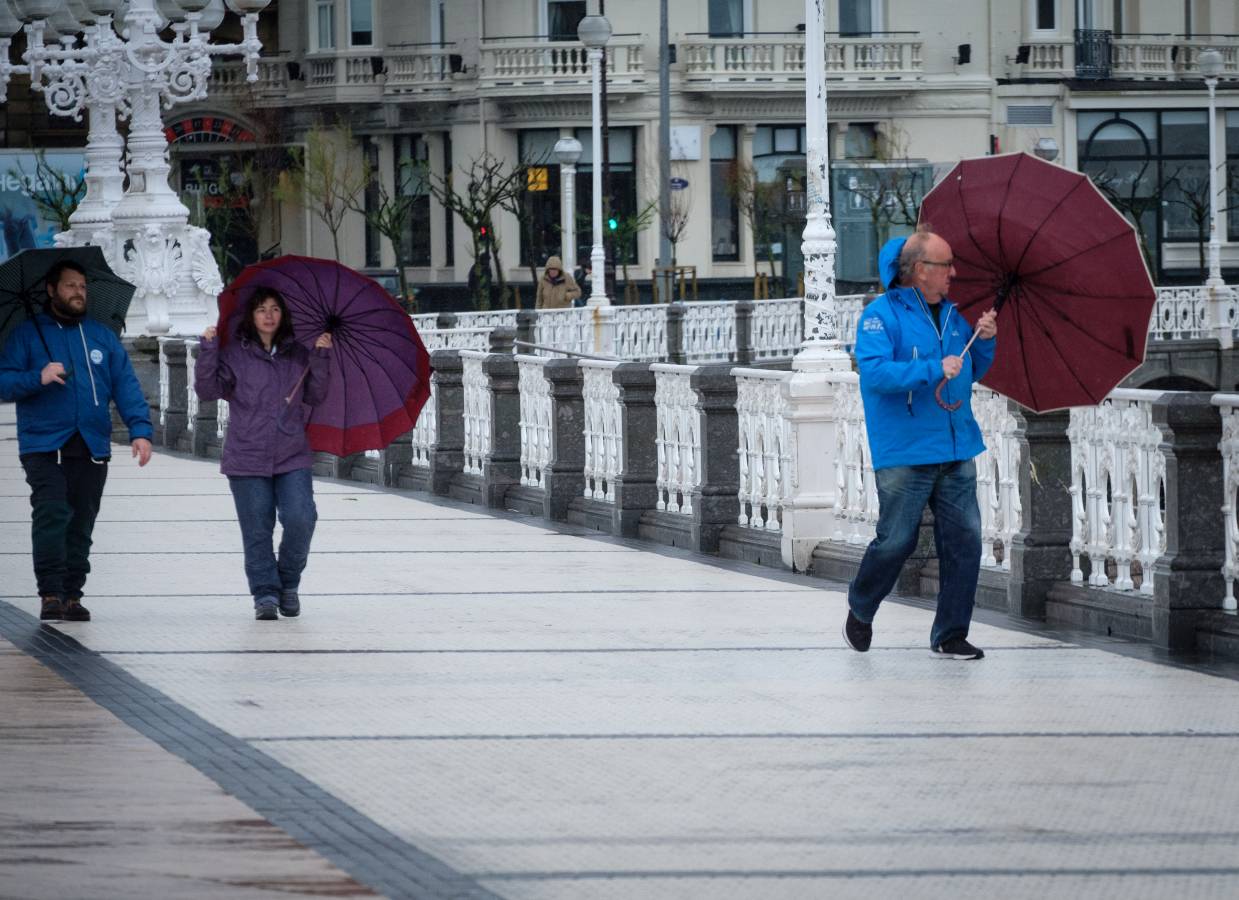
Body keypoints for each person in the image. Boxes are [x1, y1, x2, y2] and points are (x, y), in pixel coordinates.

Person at [842, 227, 999, 660]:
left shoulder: (954, 316)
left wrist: (984, 342)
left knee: (965, 541)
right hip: (905, 450)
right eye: (945, 265)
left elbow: (970, 370)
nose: (953, 273)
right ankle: (861, 605)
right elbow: (874, 374)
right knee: (896, 541)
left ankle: (950, 634)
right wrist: (933, 368)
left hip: (956, 445)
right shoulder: (880, 316)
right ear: (918, 270)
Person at [0, 259, 154, 622]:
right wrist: (36, 377)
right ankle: (50, 592)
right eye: (70, 286)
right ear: (51, 290)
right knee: (53, 513)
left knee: (82, 520)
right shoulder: (27, 335)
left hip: (91, 443)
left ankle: (73, 593)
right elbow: (4, 383)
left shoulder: (101, 337)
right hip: (44, 442)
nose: (78, 292)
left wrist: (140, 431)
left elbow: (126, 386)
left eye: (82, 286)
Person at [195, 289, 333, 621]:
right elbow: (207, 390)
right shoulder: (234, 355)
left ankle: (288, 583)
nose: (268, 315)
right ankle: (265, 594)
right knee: (257, 530)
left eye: (274, 309)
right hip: (247, 455)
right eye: (261, 309)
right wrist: (208, 348)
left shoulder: (297, 354)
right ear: (251, 316)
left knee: (302, 518)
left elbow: (315, 394)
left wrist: (320, 357)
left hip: (291, 453)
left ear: (283, 315)